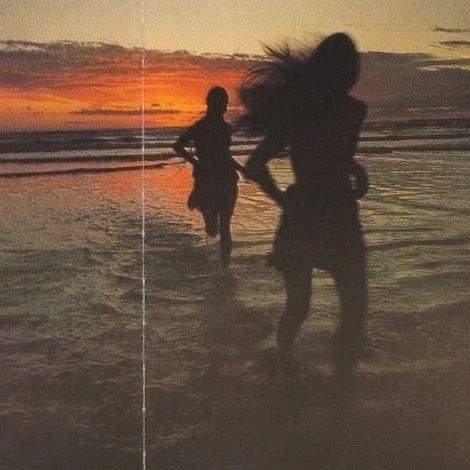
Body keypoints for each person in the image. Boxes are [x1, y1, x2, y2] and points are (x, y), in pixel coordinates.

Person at [239, 33, 369, 376]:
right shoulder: (355, 111)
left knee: (298, 307)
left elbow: (255, 165)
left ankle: (282, 362)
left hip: (303, 216)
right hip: (339, 216)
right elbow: (335, 152)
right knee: (354, 307)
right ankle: (342, 381)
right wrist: (351, 168)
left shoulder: (298, 114)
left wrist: (285, 201)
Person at [173, 87, 244, 267]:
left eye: (224, 104)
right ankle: (204, 209)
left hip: (227, 179)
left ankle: (225, 268)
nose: (223, 107)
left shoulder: (226, 128)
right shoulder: (200, 127)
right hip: (208, 180)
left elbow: (225, 156)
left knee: (224, 227)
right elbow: (178, 145)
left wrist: (242, 169)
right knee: (213, 230)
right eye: (221, 104)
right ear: (212, 105)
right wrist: (195, 163)